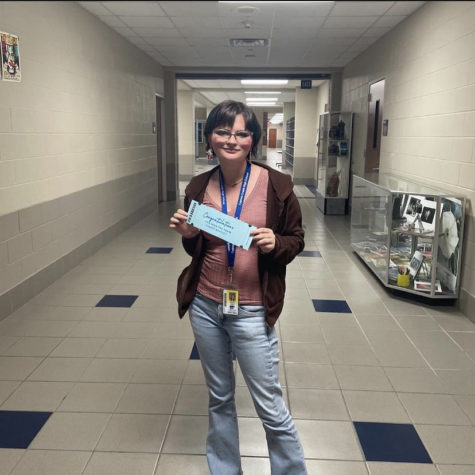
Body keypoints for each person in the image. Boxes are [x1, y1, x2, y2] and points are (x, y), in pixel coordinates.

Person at [169, 100, 307, 475]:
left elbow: (296, 240)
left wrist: (274, 243)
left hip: (251, 308)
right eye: (223, 132)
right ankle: (225, 469)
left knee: (270, 405)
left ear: (253, 140)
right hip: (205, 306)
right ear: (209, 139)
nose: (232, 140)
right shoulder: (198, 187)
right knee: (219, 398)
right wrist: (189, 234)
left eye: (242, 133)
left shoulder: (277, 186)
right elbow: (196, 248)